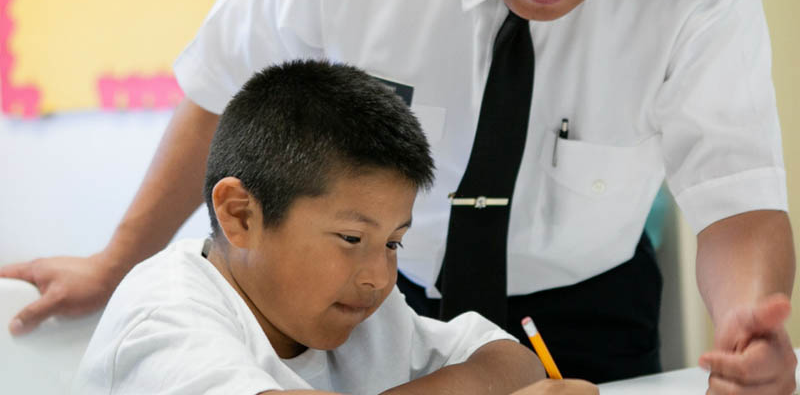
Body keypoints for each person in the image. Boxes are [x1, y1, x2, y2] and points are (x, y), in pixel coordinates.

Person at [3, 0, 795, 390]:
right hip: (379, 293)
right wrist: (114, 263)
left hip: (586, 298)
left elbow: (736, 194)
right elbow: (220, 92)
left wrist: (744, 329)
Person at [71, 59, 596, 394]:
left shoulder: (360, 308)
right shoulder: (165, 317)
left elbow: (508, 360)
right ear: (241, 215)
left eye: (394, 242)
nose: (379, 276)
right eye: (352, 239)